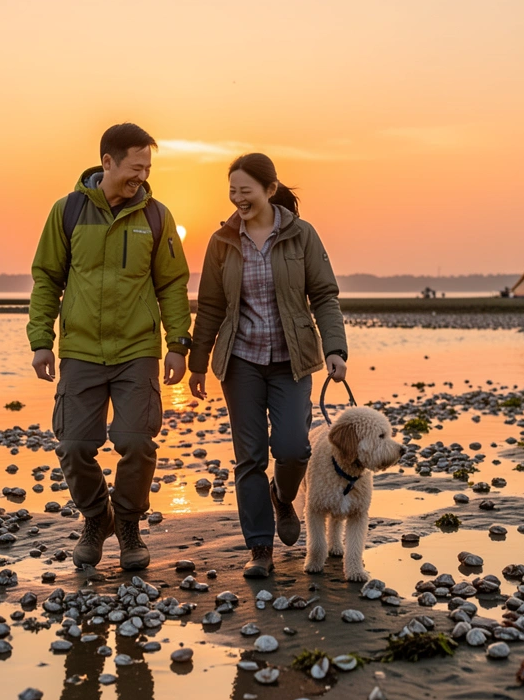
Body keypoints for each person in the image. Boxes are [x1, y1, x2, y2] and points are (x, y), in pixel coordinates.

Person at [27, 123, 192, 571]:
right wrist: (41, 341)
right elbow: (47, 279)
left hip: (138, 349)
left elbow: (173, 284)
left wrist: (178, 344)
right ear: (108, 163)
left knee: (136, 441)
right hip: (80, 350)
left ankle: (130, 528)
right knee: (74, 445)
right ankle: (98, 519)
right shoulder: (67, 212)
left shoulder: (156, 217)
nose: (142, 176)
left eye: (148, 168)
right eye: (135, 167)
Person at [187, 153, 347, 578]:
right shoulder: (222, 241)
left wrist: (335, 350)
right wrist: (198, 362)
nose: (238, 199)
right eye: (232, 192)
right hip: (240, 362)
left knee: (294, 447)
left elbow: (325, 296)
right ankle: (259, 548)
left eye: (247, 191)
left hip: (292, 362)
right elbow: (210, 308)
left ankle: (283, 494)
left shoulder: (301, 235)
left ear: (269, 190)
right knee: (249, 457)